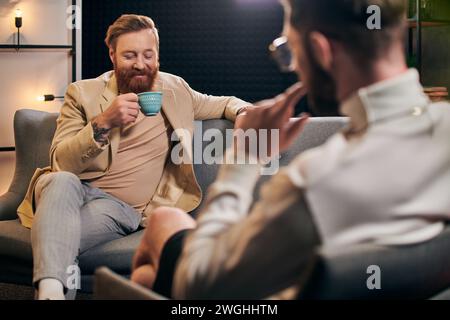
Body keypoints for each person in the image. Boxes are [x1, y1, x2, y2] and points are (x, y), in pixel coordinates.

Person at [131, 0, 450, 299]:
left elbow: (197, 285)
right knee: (153, 264)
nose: (295, 68)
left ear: (321, 50)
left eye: (291, 51)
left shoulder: (311, 183)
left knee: (160, 232)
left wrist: (246, 157)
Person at [16, 14, 251, 300]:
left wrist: (243, 113)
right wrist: (104, 122)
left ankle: (50, 292)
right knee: (62, 180)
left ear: (157, 57)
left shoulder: (175, 90)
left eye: (148, 55)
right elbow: (61, 162)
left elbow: (224, 102)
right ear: (112, 54)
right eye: (129, 55)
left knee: (60, 238)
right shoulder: (82, 93)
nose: (140, 63)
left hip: (116, 209)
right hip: (64, 190)